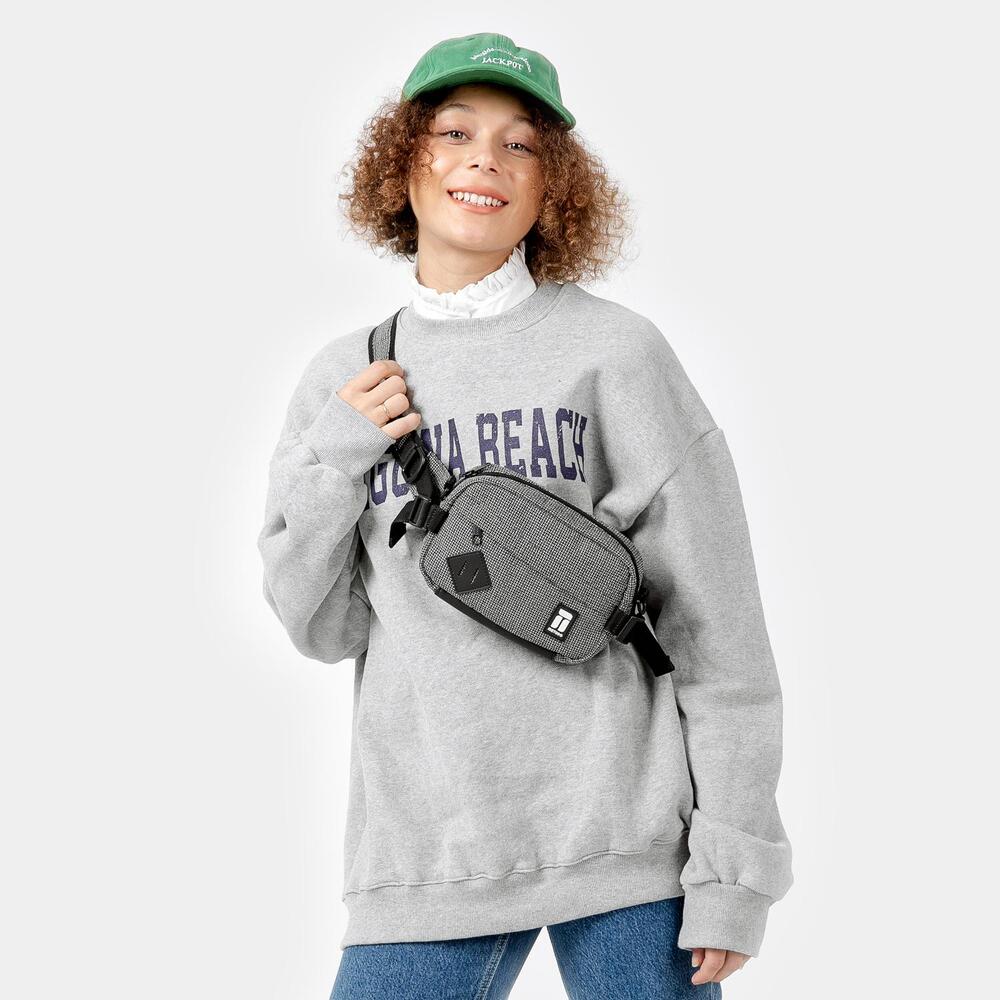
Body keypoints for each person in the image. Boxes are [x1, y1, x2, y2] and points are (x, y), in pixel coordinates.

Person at [257, 32, 793, 1000]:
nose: (486, 161)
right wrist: (336, 454)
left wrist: (734, 867)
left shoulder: (616, 356)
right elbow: (322, 627)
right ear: (403, 163)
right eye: (454, 132)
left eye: (521, 145)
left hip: (631, 850)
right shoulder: (342, 379)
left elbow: (719, 633)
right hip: (425, 857)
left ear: (554, 188)